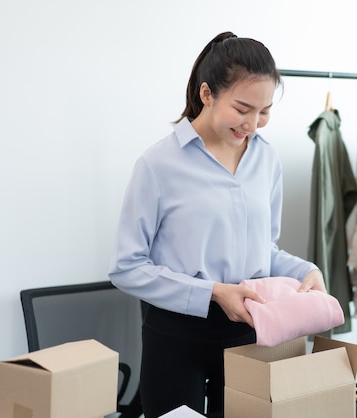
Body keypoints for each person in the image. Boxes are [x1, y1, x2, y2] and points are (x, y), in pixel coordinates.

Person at [108, 31, 326, 418]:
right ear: (207, 94)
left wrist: (308, 271)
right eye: (242, 109)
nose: (253, 124)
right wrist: (212, 292)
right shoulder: (158, 165)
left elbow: (265, 250)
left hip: (251, 335)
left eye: (264, 111)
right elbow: (127, 268)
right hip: (176, 338)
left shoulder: (266, 161)